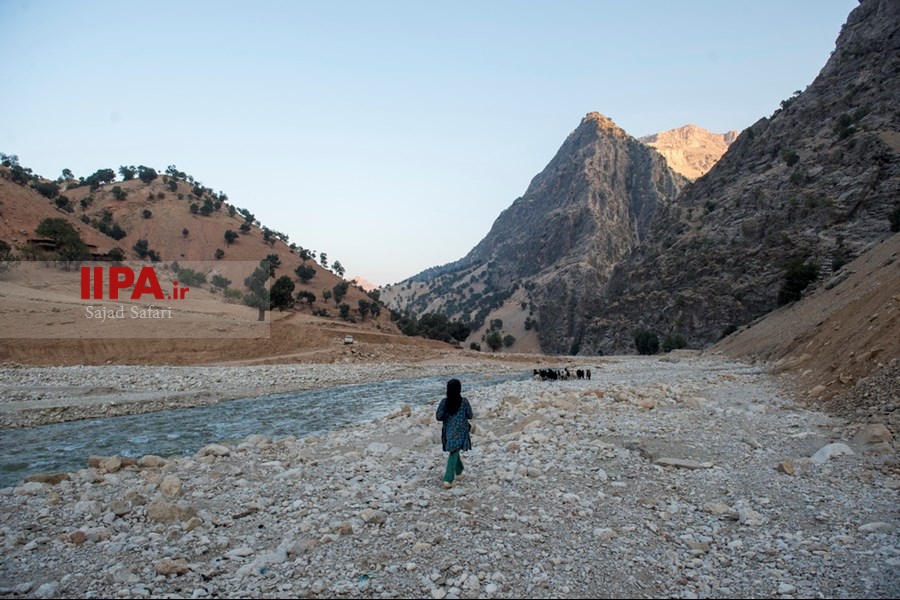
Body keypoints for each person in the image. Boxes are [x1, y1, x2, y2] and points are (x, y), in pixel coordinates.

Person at [435, 378, 473, 489]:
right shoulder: (464, 401)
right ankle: (449, 478)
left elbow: (438, 417)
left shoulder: (444, 402)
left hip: (449, 431)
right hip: (462, 431)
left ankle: (455, 473)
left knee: (454, 451)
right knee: (454, 451)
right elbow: (470, 415)